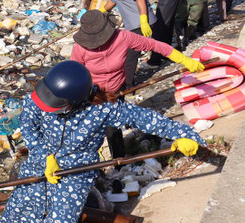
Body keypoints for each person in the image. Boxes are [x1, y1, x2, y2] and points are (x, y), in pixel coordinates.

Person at [0, 60, 203, 223]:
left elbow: (146, 118)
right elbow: (28, 124)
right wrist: (44, 155)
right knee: (17, 219)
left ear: (73, 102)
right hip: (39, 166)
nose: (46, 107)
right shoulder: (43, 95)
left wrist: (184, 134)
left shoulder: (104, 109)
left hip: (75, 174)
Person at [71, 10, 203, 158]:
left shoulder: (122, 37)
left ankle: (118, 162)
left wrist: (185, 60)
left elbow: (156, 46)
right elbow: (73, 73)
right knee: (90, 129)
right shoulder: (80, 47)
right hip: (92, 93)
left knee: (112, 128)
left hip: (116, 89)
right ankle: (91, 161)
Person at [100, 0, 156, 86]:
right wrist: (100, 12)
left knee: (130, 56)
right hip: (133, 24)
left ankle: (128, 87)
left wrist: (143, 20)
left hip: (139, 24)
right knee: (127, 54)